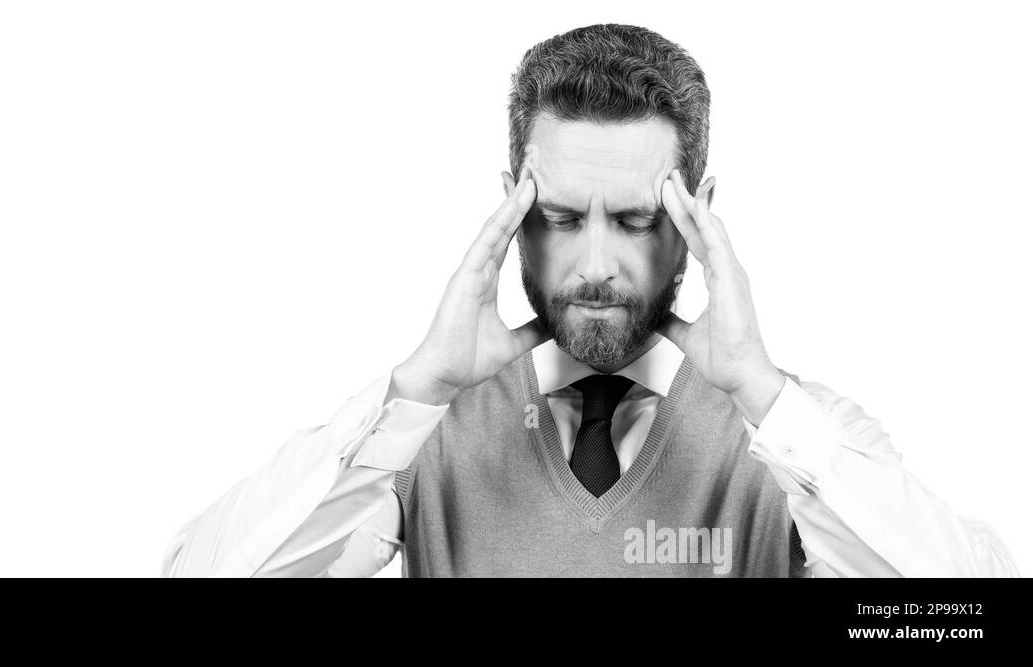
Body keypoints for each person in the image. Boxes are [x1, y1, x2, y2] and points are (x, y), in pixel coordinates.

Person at [162, 24, 1018, 577]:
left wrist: (764, 396)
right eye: (564, 217)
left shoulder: (799, 443)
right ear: (512, 204)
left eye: (640, 219)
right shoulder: (424, 437)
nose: (598, 263)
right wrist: (414, 392)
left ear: (698, 215)